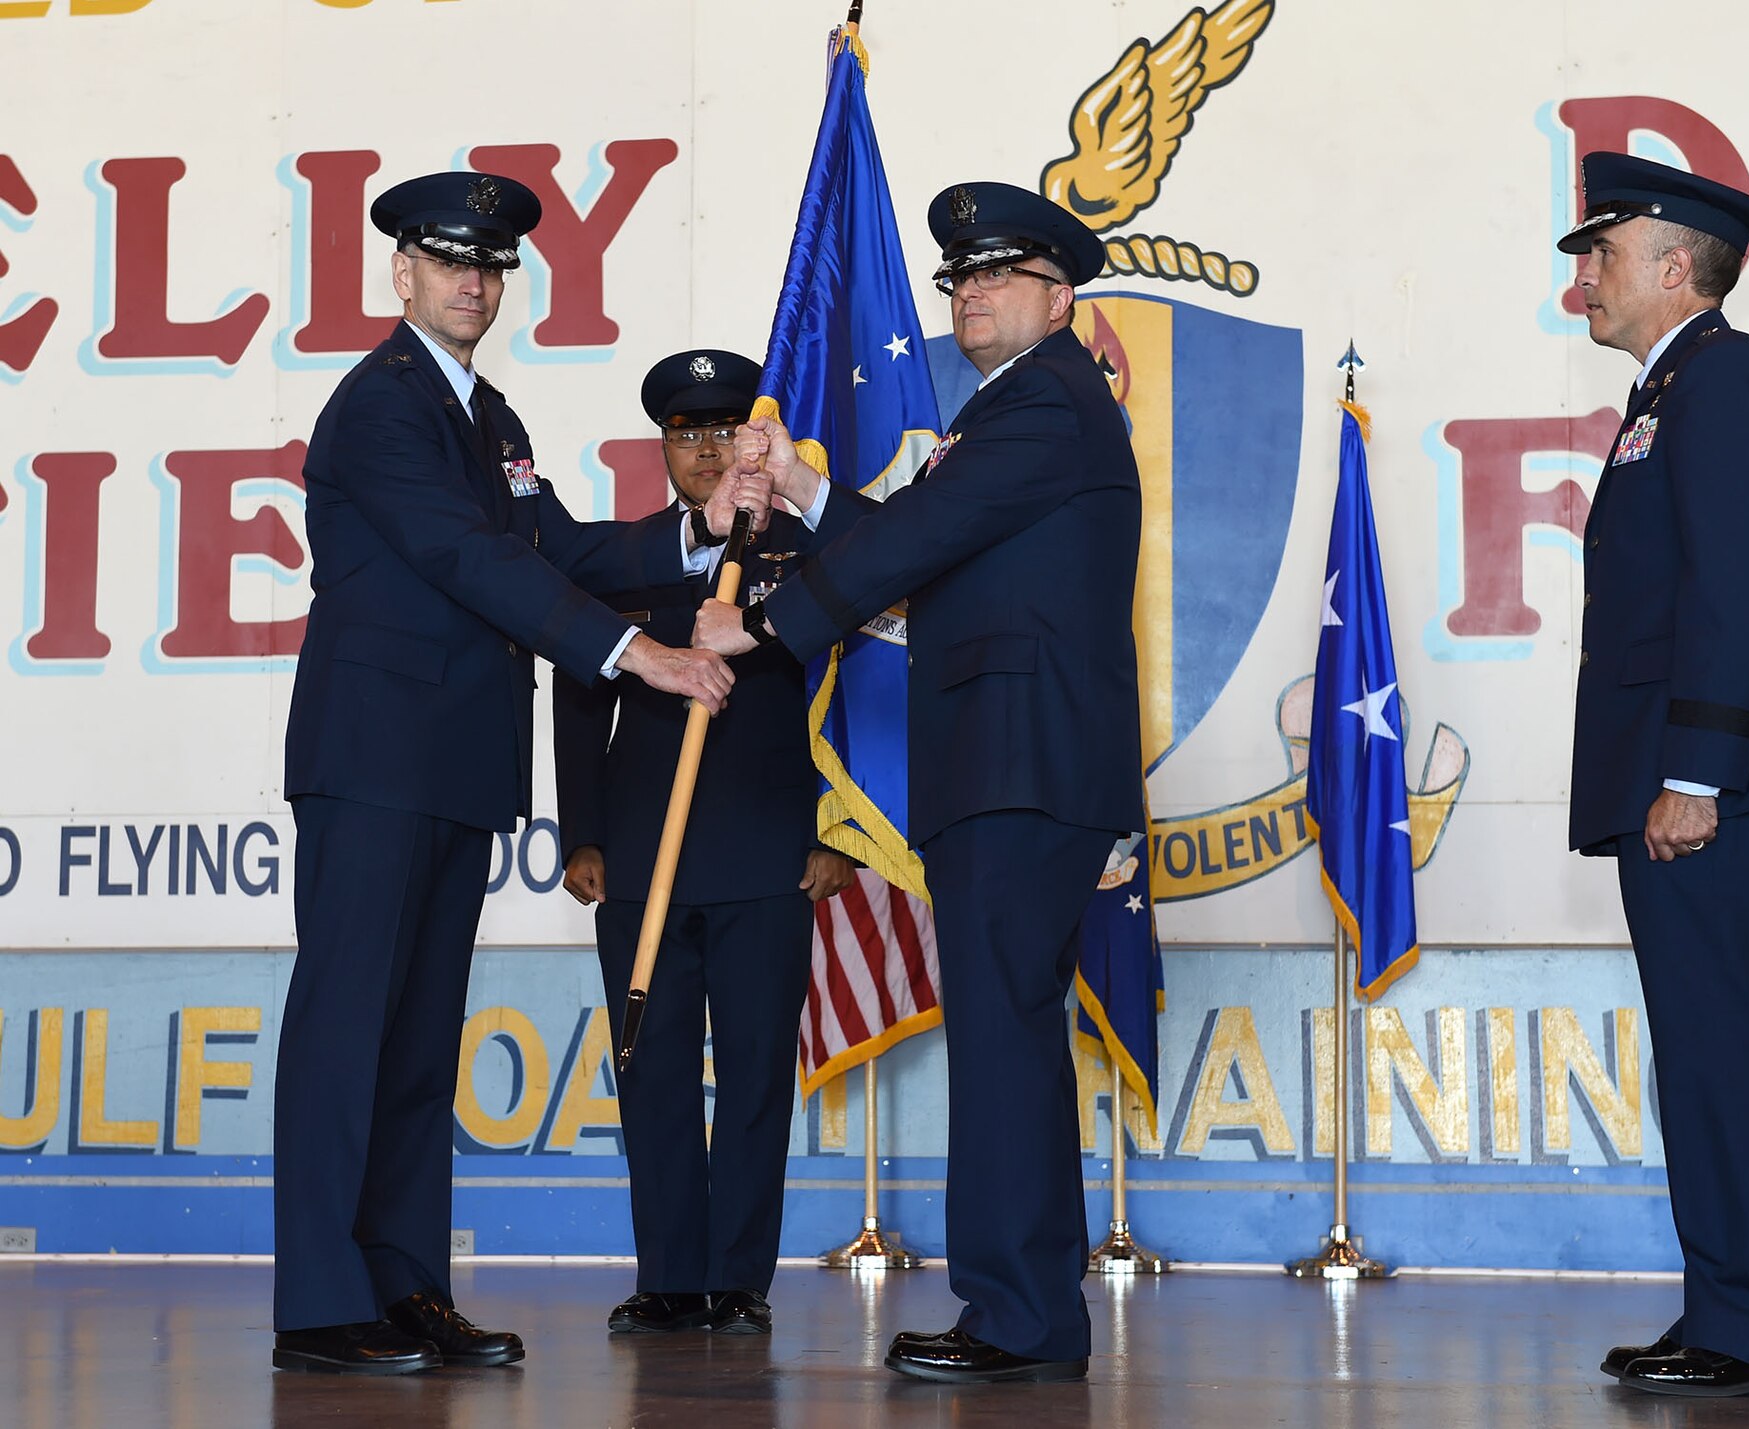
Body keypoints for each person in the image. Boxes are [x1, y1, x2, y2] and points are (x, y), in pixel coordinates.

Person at [273, 171, 748, 1375]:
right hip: (375, 758)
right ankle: (325, 1303)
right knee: (346, 1032)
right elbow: (466, 557)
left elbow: (566, 548)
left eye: (490, 265)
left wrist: (700, 532)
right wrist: (636, 651)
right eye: (449, 261)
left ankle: (404, 1285)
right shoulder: (379, 407)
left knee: (419, 1038)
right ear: (403, 274)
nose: (474, 281)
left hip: (453, 767)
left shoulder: (493, 422)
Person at [692, 180, 1143, 1384]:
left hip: (1019, 763)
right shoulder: (1008, 414)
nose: (968, 293)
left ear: (1058, 297)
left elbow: (919, 541)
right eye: (958, 278)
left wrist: (765, 624)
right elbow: (922, 530)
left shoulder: (1044, 403)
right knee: (1005, 1041)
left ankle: (1017, 1317)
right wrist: (799, 489)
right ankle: (1025, 1313)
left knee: (1002, 1043)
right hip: (1001, 765)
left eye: (996, 274)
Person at [1561, 152, 1749, 1399]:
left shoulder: (1720, 383)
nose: (1581, 278)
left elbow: (1733, 597)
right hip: (1688, 782)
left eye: (1599, 254)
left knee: (1721, 1048)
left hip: (1704, 789)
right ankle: (1729, 1309)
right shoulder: (1673, 388)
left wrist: (1693, 773)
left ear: (1673, 264)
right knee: (1705, 1048)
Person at [552, 349, 857, 1338]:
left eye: (724, 432)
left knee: (759, 1070)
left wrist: (836, 831)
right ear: (664, 448)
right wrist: (583, 828)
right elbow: (575, 686)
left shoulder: (810, 560)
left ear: (752, 445)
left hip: (771, 847)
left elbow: (849, 699)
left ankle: (737, 1279)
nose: (705, 450)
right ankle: (671, 1277)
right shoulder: (629, 556)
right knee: (652, 1073)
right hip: (641, 851)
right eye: (687, 434)